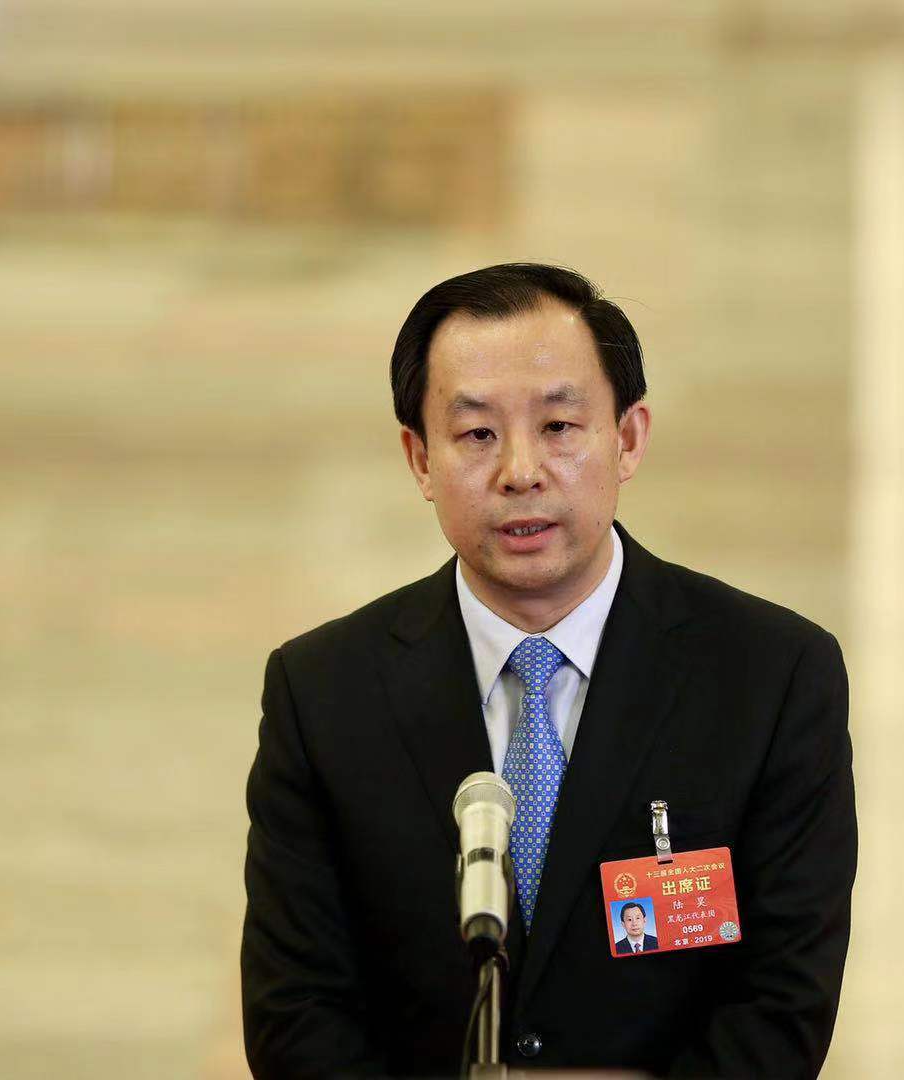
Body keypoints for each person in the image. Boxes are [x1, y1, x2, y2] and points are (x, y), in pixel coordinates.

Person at [242, 263, 856, 1078]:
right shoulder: (324, 693)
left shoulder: (769, 677)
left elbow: (781, 1005)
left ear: (628, 438)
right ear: (419, 458)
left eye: (560, 426)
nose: (521, 471)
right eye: (477, 435)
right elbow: (296, 1013)